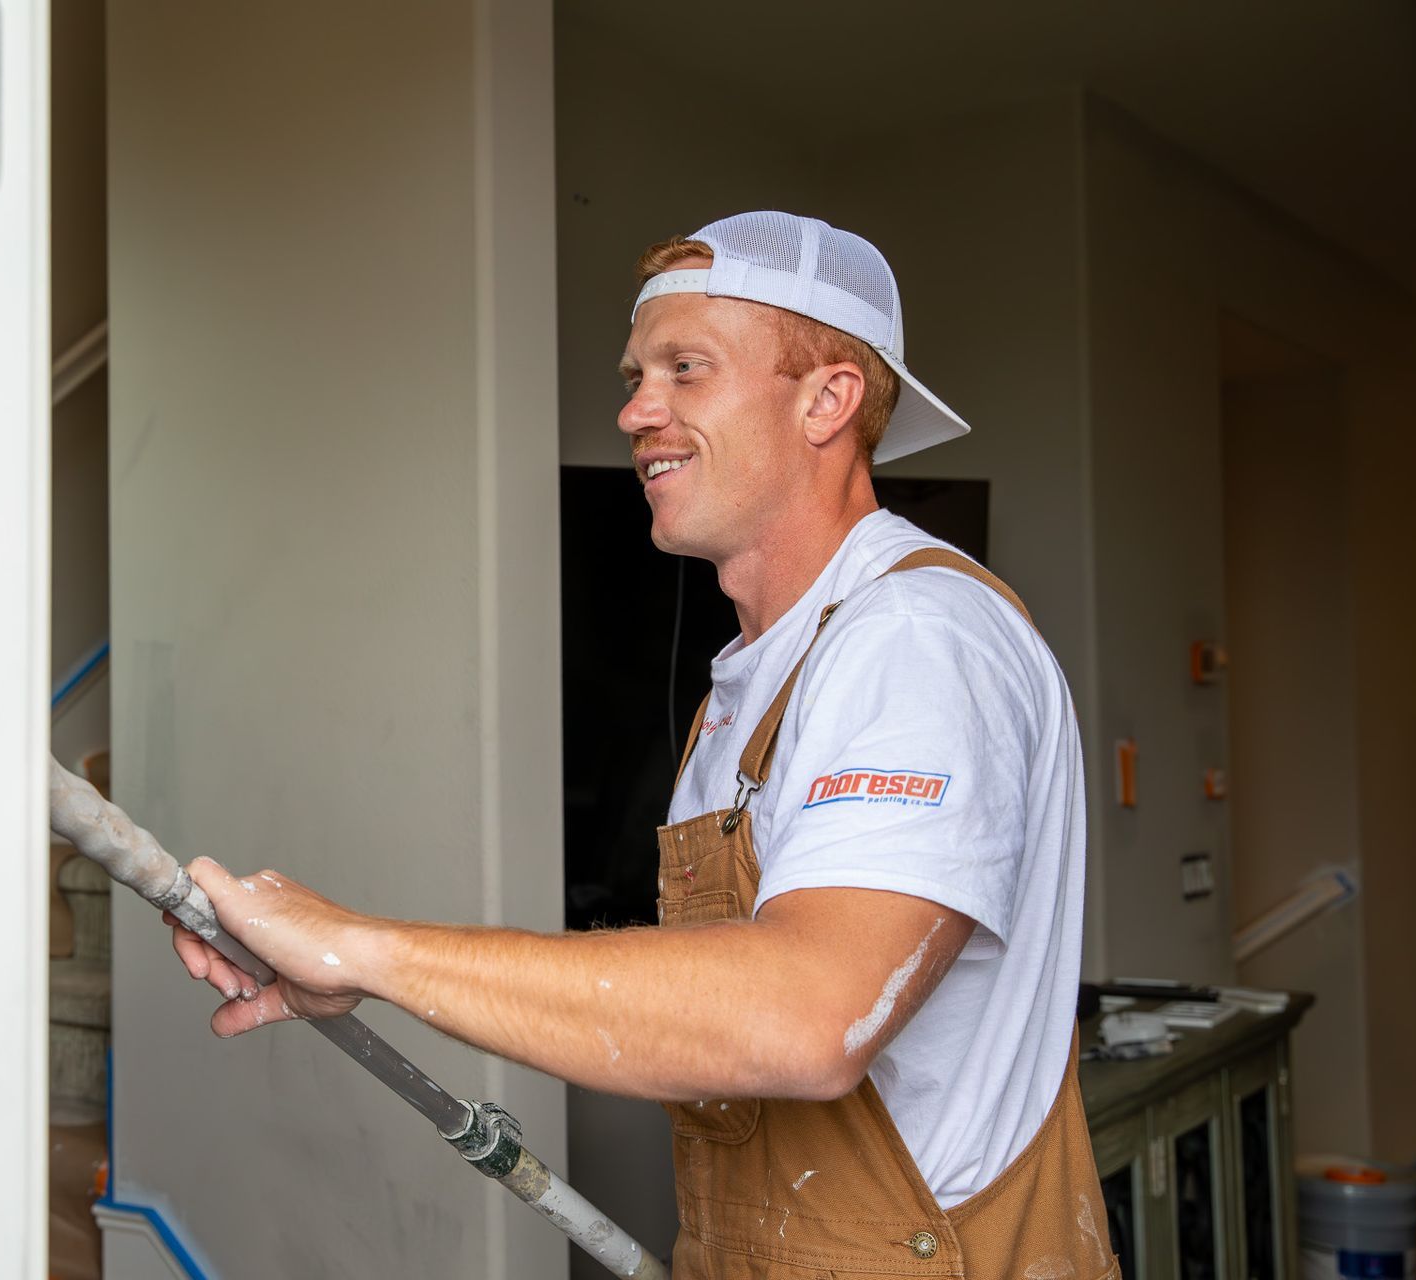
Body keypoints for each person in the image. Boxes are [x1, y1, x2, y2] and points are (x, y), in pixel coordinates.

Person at [170, 211, 1115, 1278]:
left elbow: (811, 1014)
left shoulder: (914, 638)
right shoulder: (749, 684)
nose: (635, 410)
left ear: (828, 399)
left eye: (686, 369)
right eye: (636, 373)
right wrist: (349, 967)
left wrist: (364, 948)